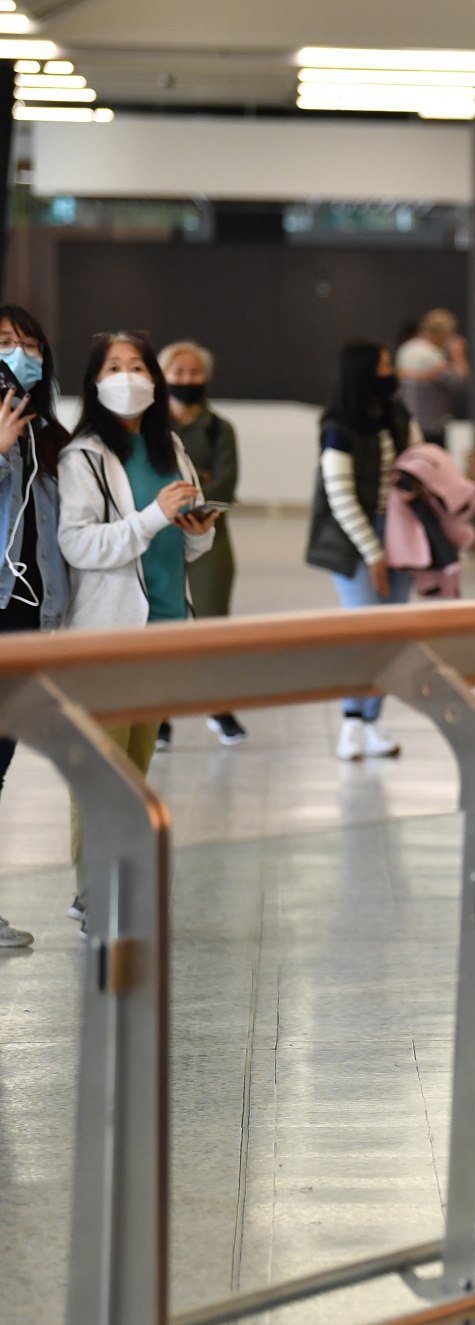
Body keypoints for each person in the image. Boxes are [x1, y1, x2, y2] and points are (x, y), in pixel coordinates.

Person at [58, 331, 217, 926]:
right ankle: (91, 892)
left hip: (164, 629)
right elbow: (76, 544)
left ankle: (119, 880)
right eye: (115, 366)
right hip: (107, 635)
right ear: (96, 383)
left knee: (135, 769)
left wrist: (198, 530)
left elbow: (185, 547)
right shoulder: (84, 457)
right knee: (101, 768)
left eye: (138, 366)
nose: (129, 376)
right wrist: (151, 518)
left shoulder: (170, 447)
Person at [307, 340, 417, 762]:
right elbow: (341, 497)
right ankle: (352, 720)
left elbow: (419, 458)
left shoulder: (396, 414)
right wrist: (373, 553)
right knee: (363, 632)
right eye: (386, 364)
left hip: (402, 531)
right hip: (356, 538)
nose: (392, 371)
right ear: (363, 372)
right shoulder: (338, 426)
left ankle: (373, 723)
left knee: (390, 634)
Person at [0, 304, 71, 947]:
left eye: (27, 345)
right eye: (2, 343)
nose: (18, 354)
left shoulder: (50, 437)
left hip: (30, 619)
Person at [160, 341, 247, 747]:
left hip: (211, 535)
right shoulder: (150, 424)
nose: (186, 380)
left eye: (194, 373)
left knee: (213, 624)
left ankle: (219, 707)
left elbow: (226, 483)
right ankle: (156, 715)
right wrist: (198, 483)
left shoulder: (219, 428)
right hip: (159, 536)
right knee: (160, 626)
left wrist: (186, 494)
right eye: (178, 372)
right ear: (163, 376)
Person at [395, 309, 468, 446]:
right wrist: (458, 355)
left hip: (409, 421)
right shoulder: (431, 356)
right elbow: (458, 382)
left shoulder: (406, 349)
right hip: (430, 425)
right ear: (442, 334)